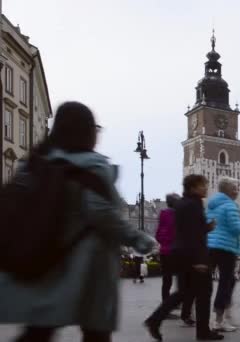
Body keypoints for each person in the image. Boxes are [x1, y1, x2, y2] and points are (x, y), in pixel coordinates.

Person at [0, 101, 156, 342]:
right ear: (87, 131)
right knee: (95, 333)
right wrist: (141, 239)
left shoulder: (36, 162)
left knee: (40, 330)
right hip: (86, 269)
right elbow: (104, 215)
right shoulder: (90, 167)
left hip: (44, 260)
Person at [145, 175, 223, 341]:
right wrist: (199, 260)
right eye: (203, 185)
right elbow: (192, 235)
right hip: (191, 255)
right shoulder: (193, 205)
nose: (206, 188)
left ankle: (155, 320)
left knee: (184, 293)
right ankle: (202, 332)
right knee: (203, 292)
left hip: (181, 254)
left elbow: (191, 229)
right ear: (193, 187)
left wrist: (207, 227)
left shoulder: (183, 204)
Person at [207, 177, 240, 333]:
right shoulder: (230, 205)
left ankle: (218, 316)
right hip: (226, 248)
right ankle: (219, 320)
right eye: (235, 188)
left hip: (210, 246)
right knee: (226, 283)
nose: (237, 190)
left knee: (212, 283)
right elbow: (235, 229)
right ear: (227, 190)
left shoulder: (211, 205)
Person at [155, 193, 180, 304]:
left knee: (167, 280)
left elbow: (158, 234)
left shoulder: (163, 214)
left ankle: (166, 303)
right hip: (175, 252)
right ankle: (172, 303)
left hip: (164, 251)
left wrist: (164, 243)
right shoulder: (177, 215)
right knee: (181, 280)